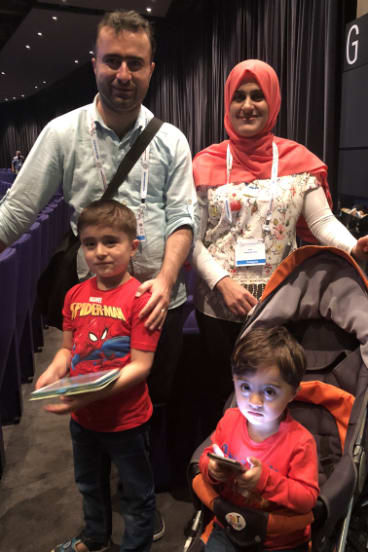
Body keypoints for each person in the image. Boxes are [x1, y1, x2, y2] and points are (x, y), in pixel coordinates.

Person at [0, 9, 197, 540]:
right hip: (98, 307)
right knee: (92, 409)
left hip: (160, 304)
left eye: (135, 63)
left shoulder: (171, 140)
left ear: (151, 69)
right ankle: (104, 511)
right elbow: (15, 214)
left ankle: (137, 501)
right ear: (94, 64)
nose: (123, 74)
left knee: (147, 411)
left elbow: (183, 219)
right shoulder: (62, 133)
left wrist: (165, 278)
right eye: (113, 61)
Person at [190, 58, 368, 425]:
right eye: (238, 96)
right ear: (228, 104)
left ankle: (272, 475)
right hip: (219, 308)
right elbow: (190, 239)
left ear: (273, 102)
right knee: (220, 394)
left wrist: (353, 246)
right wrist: (221, 284)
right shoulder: (205, 164)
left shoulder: (298, 161)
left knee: (271, 398)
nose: (248, 105)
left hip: (280, 305)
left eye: (257, 96)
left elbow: (321, 222)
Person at [35, 199, 161, 552]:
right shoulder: (75, 294)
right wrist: (53, 372)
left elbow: (141, 367)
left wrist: (88, 394)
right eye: (90, 244)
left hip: (127, 422)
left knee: (136, 496)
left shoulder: (140, 298)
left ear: (132, 246)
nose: (100, 252)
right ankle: (95, 540)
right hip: (84, 419)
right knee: (89, 486)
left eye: (111, 242)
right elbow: (66, 349)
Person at [198, 325, 319, 551]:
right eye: (244, 387)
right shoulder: (229, 420)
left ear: (293, 393)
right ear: (233, 381)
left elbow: (307, 498)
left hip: (278, 540)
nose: (254, 400)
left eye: (269, 391)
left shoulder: (301, 442)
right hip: (229, 528)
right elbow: (207, 455)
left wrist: (265, 482)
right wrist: (212, 469)